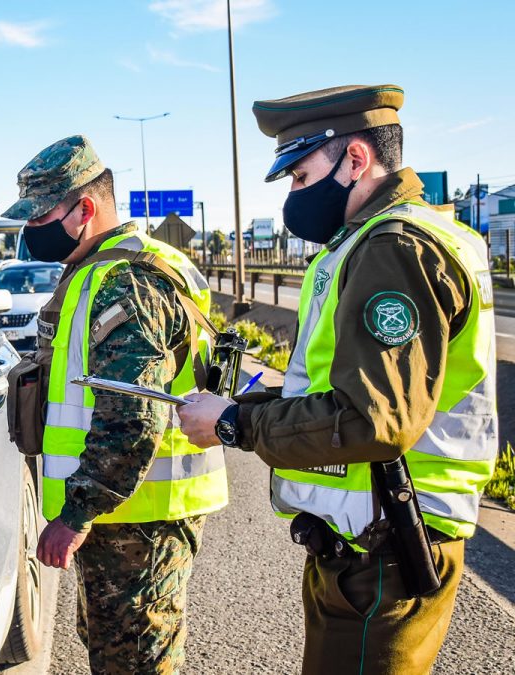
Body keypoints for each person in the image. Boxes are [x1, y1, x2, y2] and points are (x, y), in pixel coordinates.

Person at [177, 85, 497, 674]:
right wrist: (253, 406)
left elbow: (374, 418)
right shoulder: (380, 240)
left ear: (355, 160)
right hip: (373, 544)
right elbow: (344, 391)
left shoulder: (393, 248)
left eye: (300, 177)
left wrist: (233, 423)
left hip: (388, 550)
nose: (294, 197)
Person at [3, 135, 227, 673]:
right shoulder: (100, 270)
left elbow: (132, 414)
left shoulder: (126, 279)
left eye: (40, 219)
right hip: (126, 511)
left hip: (138, 516)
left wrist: (77, 513)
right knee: (114, 646)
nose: (30, 233)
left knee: (134, 660)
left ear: (85, 209)